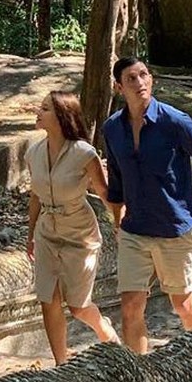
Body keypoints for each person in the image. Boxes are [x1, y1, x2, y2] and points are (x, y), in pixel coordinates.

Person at [103, 56, 192, 353]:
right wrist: (117, 219)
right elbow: (116, 179)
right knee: (130, 306)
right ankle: (141, 372)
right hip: (134, 230)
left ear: (152, 79)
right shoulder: (112, 128)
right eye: (131, 79)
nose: (139, 83)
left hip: (174, 229)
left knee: (183, 303)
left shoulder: (175, 122)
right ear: (119, 87)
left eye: (143, 75)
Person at [26, 90, 121, 365]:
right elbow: (35, 196)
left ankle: (105, 330)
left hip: (79, 232)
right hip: (47, 231)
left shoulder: (84, 153)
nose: (38, 112)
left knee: (78, 307)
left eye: (45, 109)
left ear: (61, 116)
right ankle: (61, 364)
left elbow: (105, 193)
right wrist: (30, 234)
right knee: (48, 298)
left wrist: (119, 223)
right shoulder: (33, 153)